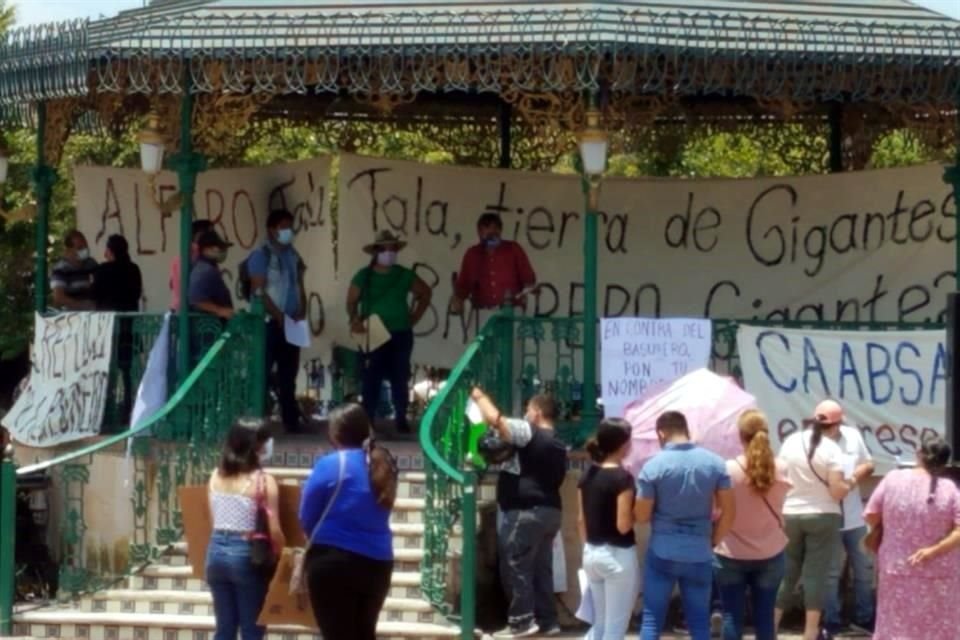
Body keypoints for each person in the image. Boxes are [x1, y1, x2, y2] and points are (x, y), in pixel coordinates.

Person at [470, 388, 567, 639]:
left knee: (515, 564)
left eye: (527, 411)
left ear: (536, 412)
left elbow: (497, 421)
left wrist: (479, 396)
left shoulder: (530, 431)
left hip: (525, 513)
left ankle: (521, 622)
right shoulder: (557, 442)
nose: (525, 415)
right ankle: (548, 621)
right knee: (540, 568)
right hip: (550, 512)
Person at [299, 403, 398, 640]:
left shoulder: (330, 464)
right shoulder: (383, 465)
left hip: (332, 562)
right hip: (378, 562)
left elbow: (306, 515)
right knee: (364, 633)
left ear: (335, 433)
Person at [634, 411, 735, 640]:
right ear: (685, 429)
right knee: (699, 623)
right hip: (699, 551)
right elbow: (728, 513)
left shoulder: (653, 467)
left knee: (651, 621)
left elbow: (641, 515)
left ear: (661, 432)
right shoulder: (715, 463)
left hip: (663, 550)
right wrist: (712, 541)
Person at [864, 437, 960, 640]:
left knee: (896, 623)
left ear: (919, 454)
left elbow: (871, 513)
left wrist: (887, 530)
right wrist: (933, 550)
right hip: (940, 570)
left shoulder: (893, 479)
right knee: (937, 625)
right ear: (944, 462)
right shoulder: (950, 489)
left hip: (896, 565)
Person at [713, 410, 791, 640]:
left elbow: (716, 509)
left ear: (740, 435)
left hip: (730, 552)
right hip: (771, 551)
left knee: (731, 616)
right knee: (765, 617)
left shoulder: (727, 469)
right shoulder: (781, 467)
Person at [346, 230, 431, 433]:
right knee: (371, 377)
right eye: (385, 249)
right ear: (376, 252)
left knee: (400, 376)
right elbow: (351, 302)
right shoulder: (363, 275)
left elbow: (425, 292)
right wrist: (354, 318)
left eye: (393, 248)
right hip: (372, 333)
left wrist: (415, 317)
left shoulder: (404, 274)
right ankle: (368, 420)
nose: (390, 252)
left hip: (401, 332)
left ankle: (401, 417)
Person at [774, 414, 851, 640]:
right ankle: (810, 632)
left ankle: (770, 626)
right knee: (815, 575)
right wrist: (851, 482)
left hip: (791, 512)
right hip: (824, 514)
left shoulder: (789, 443)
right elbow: (837, 491)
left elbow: (781, 477)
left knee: (787, 573)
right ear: (833, 427)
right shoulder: (832, 449)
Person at [206, 418, 283, 640]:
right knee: (252, 629)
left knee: (224, 628)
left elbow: (214, 522)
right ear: (256, 445)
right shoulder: (263, 481)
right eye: (266, 440)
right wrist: (284, 555)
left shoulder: (215, 476)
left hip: (216, 553)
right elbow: (275, 530)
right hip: (246, 556)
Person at [816, 400, 875, 634]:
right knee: (830, 574)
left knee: (864, 569)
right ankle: (832, 621)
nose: (827, 430)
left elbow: (869, 464)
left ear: (840, 422)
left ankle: (865, 618)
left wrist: (851, 480)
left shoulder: (852, 436)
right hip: (826, 516)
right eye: (823, 425)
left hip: (854, 517)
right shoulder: (809, 443)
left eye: (830, 425)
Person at [247, 209, 307, 433]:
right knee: (262, 373)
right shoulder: (261, 255)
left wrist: (302, 310)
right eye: (283, 227)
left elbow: (298, 285)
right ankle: (257, 422)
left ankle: (290, 420)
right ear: (271, 229)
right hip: (269, 323)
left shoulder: (293, 255)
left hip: (291, 322)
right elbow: (259, 290)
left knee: (288, 375)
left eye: (290, 226)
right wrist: (278, 315)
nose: (288, 231)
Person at [578, 418, 638, 640]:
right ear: (624, 444)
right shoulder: (623, 478)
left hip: (592, 552)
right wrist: (638, 513)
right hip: (617, 555)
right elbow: (623, 525)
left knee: (601, 624)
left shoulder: (587, 476)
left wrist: (588, 547)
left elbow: (580, 520)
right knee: (615, 628)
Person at [92, 235, 144, 424]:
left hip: (107, 327)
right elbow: (137, 293)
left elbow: (95, 294)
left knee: (107, 366)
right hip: (128, 325)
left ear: (111, 251)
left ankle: (106, 408)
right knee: (127, 368)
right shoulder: (133, 269)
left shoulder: (103, 271)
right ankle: (127, 408)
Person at [451, 213, 536, 313]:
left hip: (511, 311)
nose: (492, 231)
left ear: (500, 231)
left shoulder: (513, 249)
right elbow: (463, 286)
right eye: (486, 228)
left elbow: (529, 279)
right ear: (479, 232)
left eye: (496, 228)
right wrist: (458, 299)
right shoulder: (472, 254)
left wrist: (526, 291)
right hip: (481, 313)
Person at [189, 230, 234, 321]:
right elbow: (196, 299)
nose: (221, 251)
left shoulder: (209, 267)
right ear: (206, 249)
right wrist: (220, 310)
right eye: (217, 247)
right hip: (209, 328)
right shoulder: (204, 269)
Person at [170, 219, 214, 311]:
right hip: (193, 313)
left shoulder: (179, 257)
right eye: (211, 233)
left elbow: (171, 284)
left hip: (178, 310)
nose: (214, 237)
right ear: (199, 235)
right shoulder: (198, 256)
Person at [51, 229, 98, 310]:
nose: (85, 249)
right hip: (71, 316)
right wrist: (81, 305)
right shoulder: (61, 269)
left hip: (92, 313)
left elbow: (103, 278)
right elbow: (58, 297)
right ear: (69, 250)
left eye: (86, 246)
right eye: (80, 247)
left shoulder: (90, 263)